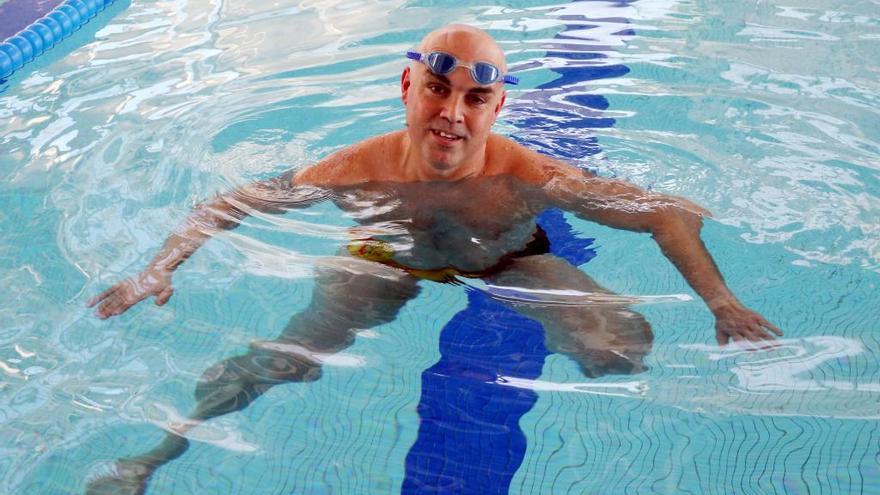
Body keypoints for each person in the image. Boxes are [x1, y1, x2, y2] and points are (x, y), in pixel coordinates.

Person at [85, 24, 781, 494]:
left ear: (498, 105)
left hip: (508, 259)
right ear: (407, 88)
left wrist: (719, 301)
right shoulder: (357, 167)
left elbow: (667, 211)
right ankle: (151, 457)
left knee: (619, 347)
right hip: (383, 258)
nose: (453, 113)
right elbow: (231, 200)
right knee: (282, 358)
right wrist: (161, 265)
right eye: (438, 90)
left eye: (476, 98)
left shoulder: (527, 173)